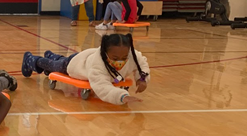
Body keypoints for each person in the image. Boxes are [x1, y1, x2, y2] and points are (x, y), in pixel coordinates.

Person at [21, 33, 150, 105]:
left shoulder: (133, 55)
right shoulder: (97, 65)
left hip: (84, 56)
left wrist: (142, 79)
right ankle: (30, 60)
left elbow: (142, 65)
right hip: (75, 64)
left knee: (58, 61)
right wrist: (121, 96)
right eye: (115, 58)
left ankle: (51, 55)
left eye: (124, 57)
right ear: (105, 53)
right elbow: (102, 87)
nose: (120, 61)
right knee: (54, 66)